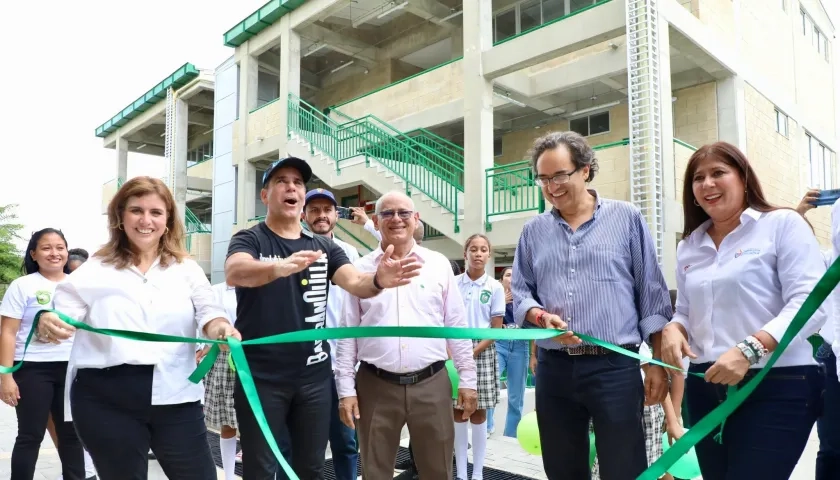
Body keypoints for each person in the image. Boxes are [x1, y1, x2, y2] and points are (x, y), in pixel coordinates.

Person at [224, 158, 421, 480]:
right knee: (260, 468)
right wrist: (277, 268)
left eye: (297, 183)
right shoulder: (251, 239)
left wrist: (378, 281)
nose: (291, 187)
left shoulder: (323, 247)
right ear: (265, 195)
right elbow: (235, 272)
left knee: (311, 468)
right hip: (261, 378)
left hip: (314, 378)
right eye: (281, 181)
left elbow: (355, 282)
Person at [34, 176, 240, 480]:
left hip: (176, 395)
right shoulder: (96, 268)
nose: (146, 220)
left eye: (156, 212)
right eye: (136, 210)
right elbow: (62, 315)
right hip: (105, 398)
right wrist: (47, 321)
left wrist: (222, 328)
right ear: (120, 217)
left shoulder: (186, 269)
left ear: (168, 219)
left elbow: (209, 312)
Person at [512, 131, 671, 480]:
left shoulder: (626, 218)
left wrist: (658, 365)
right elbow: (522, 294)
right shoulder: (533, 231)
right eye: (543, 178)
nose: (551, 186)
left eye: (559, 175)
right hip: (554, 370)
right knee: (563, 468)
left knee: (623, 467)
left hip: (614, 367)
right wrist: (538, 315)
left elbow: (652, 294)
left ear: (585, 170)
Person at [661, 142, 826, 479]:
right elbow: (686, 312)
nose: (707, 183)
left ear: (744, 179)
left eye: (718, 173)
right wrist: (674, 328)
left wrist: (751, 348)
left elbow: (811, 302)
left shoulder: (781, 224)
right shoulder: (689, 246)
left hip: (777, 383)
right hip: (706, 385)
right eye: (698, 178)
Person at [335, 190, 478, 480]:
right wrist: (346, 391)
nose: (396, 219)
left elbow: (456, 324)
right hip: (375, 385)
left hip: (432, 383)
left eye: (403, 213)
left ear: (416, 219)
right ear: (375, 221)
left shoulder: (438, 265)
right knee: (375, 472)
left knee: (438, 470)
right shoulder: (360, 270)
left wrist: (468, 379)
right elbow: (347, 335)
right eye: (387, 213)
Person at [0, 228, 87, 480]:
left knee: (71, 436)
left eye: (60, 247)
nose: (55, 253)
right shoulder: (22, 286)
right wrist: (6, 376)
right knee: (30, 435)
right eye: (46, 248)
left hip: (72, 370)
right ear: (34, 254)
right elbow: (7, 332)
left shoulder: (78, 286)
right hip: (32, 369)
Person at [302, 187, 360, 480]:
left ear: (336, 215)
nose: (321, 216)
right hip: (304, 365)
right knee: (306, 444)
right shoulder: (294, 249)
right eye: (314, 210)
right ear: (303, 214)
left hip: (342, 364)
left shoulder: (350, 254)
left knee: (346, 441)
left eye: (327, 210)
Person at [454, 234, 504, 480]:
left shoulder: (494, 287)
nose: (478, 254)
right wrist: (455, 350)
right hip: (454, 348)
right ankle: (461, 473)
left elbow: (495, 329)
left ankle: (478, 473)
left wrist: (473, 351)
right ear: (465, 253)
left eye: (483, 249)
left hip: (482, 351)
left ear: (488, 254)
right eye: (473, 249)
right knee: (457, 409)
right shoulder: (453, 283)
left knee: (479, 411)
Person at [199, 280, 241, 480]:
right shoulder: (215, 291)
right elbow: (206, 322)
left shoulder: (260, 287)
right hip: (224, 356)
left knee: (256, 422)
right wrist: (204, 346)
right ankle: (229, 475)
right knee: (228, 422)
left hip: (254, 356)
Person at [486, 266, 528, 438]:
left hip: (520, 344)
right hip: (499, 343)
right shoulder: (495, 294)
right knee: (491, 386)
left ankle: (511, 434)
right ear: (501, 279)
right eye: (508, 275)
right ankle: (488, 426)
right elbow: (484, 320)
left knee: (516, 395)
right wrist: (502, 302)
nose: (511, 278)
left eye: (514, 275)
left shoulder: (525, 296)